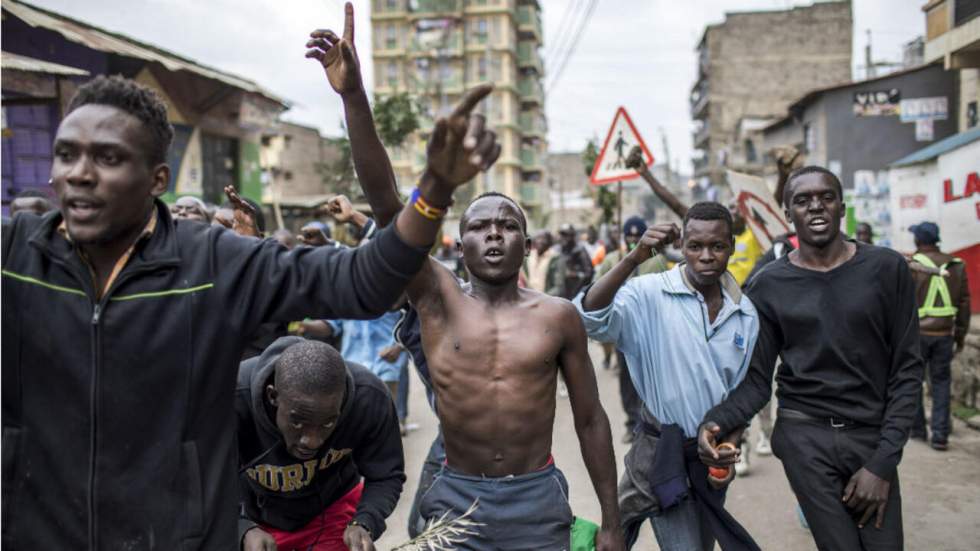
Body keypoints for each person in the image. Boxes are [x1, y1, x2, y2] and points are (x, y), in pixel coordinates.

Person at [0, 20, 495, 544]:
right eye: (66, 154)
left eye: (108, 158)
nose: (79, 173)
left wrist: (434, 187)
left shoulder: (213, 263)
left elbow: (366, 280)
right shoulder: (13, 257)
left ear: (157, 180)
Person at [698, 166, 924, 551]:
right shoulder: (769, 284)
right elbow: (757, 381)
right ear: (788, 214)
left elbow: (907, 370)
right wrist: (718, 422)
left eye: (826, 197)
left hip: (871, 434)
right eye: (802, 201)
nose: (816, 207)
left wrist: (882, 463)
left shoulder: (886, 269)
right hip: (805, 437)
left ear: (841, 206)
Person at [576, 203, 760, 551]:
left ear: (732, 248)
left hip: (707, 461)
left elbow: (741, 396)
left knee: (701, 542)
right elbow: (590, 318)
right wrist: (634, 258)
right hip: (659, 451)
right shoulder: (648, 293)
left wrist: (730, 444)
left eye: (717, 247)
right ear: (682, 247)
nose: (706, 256)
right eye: (695, 246)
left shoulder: (745, 315)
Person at [237, 337, 403, 551]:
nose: (312, 441)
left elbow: (386, 474)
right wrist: (241, 528)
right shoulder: (231, 399)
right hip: (255, 520)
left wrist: (364, 521)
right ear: (272, 396)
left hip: (334, 511)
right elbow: (197, 485)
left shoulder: (369, 397)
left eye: (328, 422)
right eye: (297, 421)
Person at [594, 216, 669, 441]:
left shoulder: (656, 261)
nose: (634, 239)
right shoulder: (612, 259)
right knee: (627, 380)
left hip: (650, 330)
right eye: (630, 236)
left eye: (638, 236)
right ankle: (631, 422)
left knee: (650, 379)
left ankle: (650, 423)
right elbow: (599, 289)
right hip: (623, 329)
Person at [907, 221, 971, 451]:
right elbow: (964, 304)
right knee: (941, 383)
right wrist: (960, 336)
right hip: (944, 334)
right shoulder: (957, 265)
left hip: (917, 336)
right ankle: (941, 435)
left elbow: (900, 302)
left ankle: (917, 430)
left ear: (918, 241)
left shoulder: (913, 265)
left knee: (913, 382)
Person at [550, 223, 595, 299]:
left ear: (572, 236)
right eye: (562, 235)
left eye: (566, 235)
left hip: (576, 291)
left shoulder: (580, 250)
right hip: (560, 291)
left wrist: (576, 275)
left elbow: (589, 272)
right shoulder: (558, 250)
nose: (563, 238)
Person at [526, 229, 557, 293]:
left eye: (544, 238)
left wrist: (544, 299)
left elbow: (558, 287)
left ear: (549, 241)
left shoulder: (555, 258)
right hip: (529, 298)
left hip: (546, 299)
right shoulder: (528, 256)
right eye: (538, 238)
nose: (540, 241)